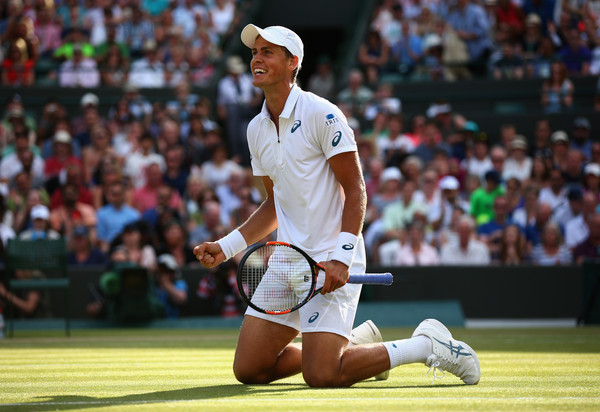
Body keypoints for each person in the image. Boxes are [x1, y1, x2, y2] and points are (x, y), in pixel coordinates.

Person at [193, 24, 479, 388]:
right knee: (249, 370)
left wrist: (342, 256)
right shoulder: (255, 129)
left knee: (322, 375)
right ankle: (355, 346)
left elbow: (355, 188)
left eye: (267, 52)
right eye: (254, 52)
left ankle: (425, 345)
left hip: (331, 256)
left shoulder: (323, 114)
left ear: (293, 62)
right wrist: (226, 246)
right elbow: (274, 203)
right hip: (287, 261)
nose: (256, 59)